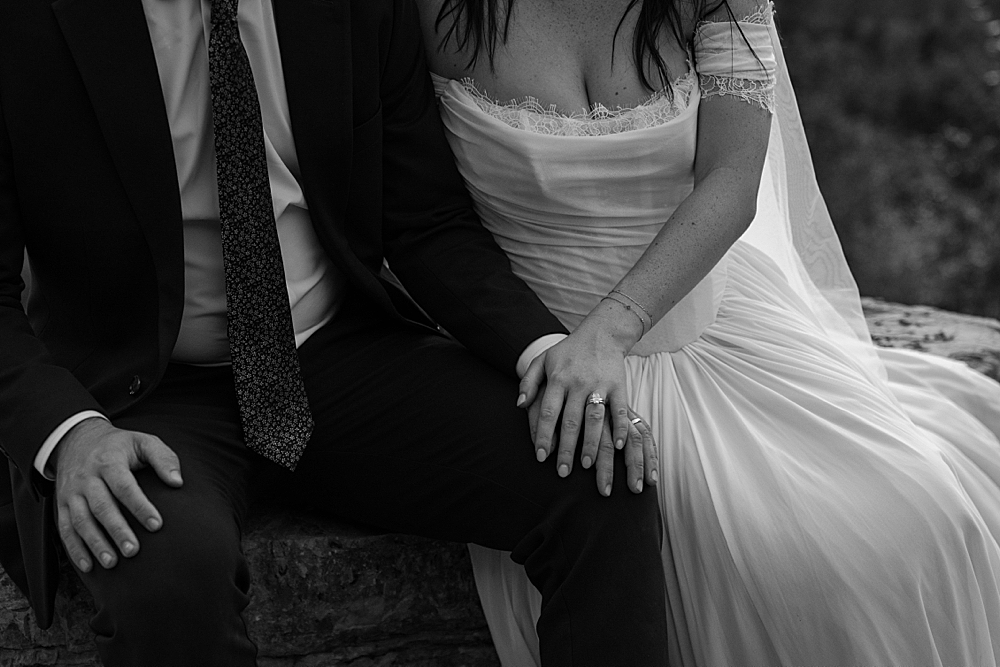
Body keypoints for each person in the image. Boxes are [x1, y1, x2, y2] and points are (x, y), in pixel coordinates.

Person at [0, 1, 672, 665]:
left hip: (336, 356)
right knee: (169, 583)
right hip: (141, 392)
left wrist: (545, 349)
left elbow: (425, 222)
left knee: (598, 475)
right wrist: (70, 434)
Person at [415, 0, 1000, 663]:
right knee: (796, 564)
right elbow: (416, 214)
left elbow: (731, 176)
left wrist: (615, 326)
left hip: (709, 317)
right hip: (546, 351)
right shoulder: (432, 12)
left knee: (922, 515)